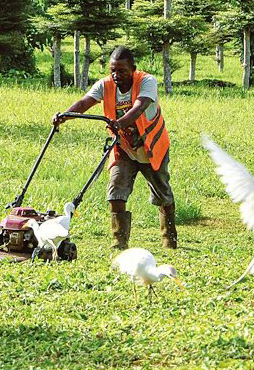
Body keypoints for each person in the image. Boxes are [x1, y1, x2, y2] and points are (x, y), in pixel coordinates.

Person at [54, 47, 174, 250]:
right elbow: (85, 102)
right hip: (124, 148)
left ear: (133, 69)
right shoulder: (105, 85)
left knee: (162, 193)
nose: (117, 76)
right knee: (116, 190)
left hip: (151, 147)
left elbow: (140, 107)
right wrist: (65, 115)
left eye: (122, 71)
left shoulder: (147, 82)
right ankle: (119, 242)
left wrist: (120, 122)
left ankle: (169, 238)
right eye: (113, 71)